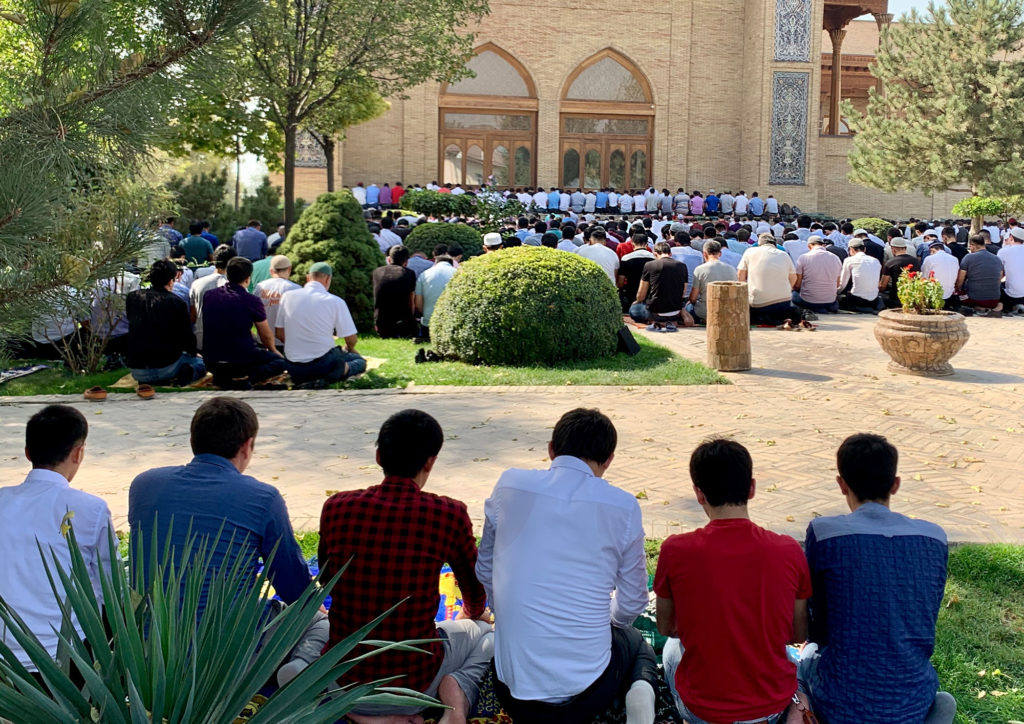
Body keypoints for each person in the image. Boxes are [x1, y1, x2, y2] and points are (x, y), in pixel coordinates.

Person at [477, 408, 659, 724]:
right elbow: (632, 602)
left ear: (551, 449)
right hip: (589, 694)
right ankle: (641, 701)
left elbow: (485, 571)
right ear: (609, 459)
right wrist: (607, 620)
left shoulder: (510, 485)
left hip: (514, 694)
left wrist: (508, 613)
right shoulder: (623, 506)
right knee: (636, 642)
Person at [129, 397, 326, 686]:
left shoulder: (143, 484)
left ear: (193, 439)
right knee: (321, 622)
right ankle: (298, 666)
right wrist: (315, 605)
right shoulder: (262, 497)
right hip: (223, 656)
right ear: (247, 446)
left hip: (149, 648)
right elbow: (292, 584)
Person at [320, 410, 492, 724]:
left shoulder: (337, 507)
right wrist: (474, 610)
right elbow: (475, 589)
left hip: (341, 681)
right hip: (415, 685)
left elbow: (325, 578)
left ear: (378, 455)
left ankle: (351, 710)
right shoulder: (448, 514)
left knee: (314, 626)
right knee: (485, 633)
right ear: (430, 462)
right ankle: (456, 695)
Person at [800, 434, 956, 724]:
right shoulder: (934, 537)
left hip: (838, 703)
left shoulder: (824, 533)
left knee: (801, 659)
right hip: (913, 696)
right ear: (895, 484)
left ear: (841, 484)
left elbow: (817, 628)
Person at [655, 439, 811, 724]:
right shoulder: (789, 550)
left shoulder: (675, 550)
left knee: (669, 650)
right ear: (751, 488)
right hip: (771, 707)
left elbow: (667, 627)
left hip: (702, 710)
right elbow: (797, 634)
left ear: (699, 494)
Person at [0, 405, 114, 672]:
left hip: (5, 659)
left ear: (28, 453)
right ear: (78, 453)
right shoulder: (91, 508)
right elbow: (111, 590)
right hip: (65, 663)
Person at [276, 261, 366, 388]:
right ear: (328, 278)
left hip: (293, 367)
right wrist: (350, 348)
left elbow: (279, 333)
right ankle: (335, 373)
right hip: (323, 364)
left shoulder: (287, 297)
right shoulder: (335, 301)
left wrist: (299, 345)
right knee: (359, 361)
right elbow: (351, 339)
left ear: (308, 278)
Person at [202, 257, 286, 388]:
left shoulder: (209, 296)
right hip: (241, 360)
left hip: (212, 360)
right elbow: (265, 335)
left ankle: (224, 378)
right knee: (280, 362)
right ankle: (248, 377)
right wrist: (274, 350)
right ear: (248, 278)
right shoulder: (251, 300)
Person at [125, 259, 205, 385]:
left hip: (137, 368)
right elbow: (186, 336)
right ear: (171, 280)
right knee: (201, 363)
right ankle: (181, 376)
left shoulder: (133, 298)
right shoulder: (177, 302)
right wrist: (194, 353)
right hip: (167, 366)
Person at [738, 233, 799, 326]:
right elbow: (794, 277)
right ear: (775, 245)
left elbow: (740, 276)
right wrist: (787, 289)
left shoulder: (750, 251)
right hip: (784, 303)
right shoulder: (784, 254)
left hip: (758, 304)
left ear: (759, 244)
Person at [635, 241, 691, 332]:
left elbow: (641, 294)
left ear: (655, 254)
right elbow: (683, 292)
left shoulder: (650, 265)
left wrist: (637, 301)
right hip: (675, 310)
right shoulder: (682, 266)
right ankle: (670, 321)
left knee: (634, 309)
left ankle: (658, 321)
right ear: (670, 254)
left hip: (655, 309)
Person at [189, 244, 235, 352]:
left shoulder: (197, 284)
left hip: (202, 341)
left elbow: (193, 316)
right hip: (229, 344)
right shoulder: (238, 286)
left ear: (214, 261)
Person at [372, 244, 418, 338]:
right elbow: (411, 301)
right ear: (406, 262)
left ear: (389, 259)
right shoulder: (408, 273)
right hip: (402, 323)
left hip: (380, 322)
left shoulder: (376, 272)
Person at [689, 239, 737, 324]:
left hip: (704, 311)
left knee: (687, 308)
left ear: (704, 254)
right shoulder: (732, 269)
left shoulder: (700, 269)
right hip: (726, 311)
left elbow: (693, 298)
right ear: (720, 253)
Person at [957, 234, 1005, 315]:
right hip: (994, 299)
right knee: (998, 303)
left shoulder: (968, 257)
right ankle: (995, 308)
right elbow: (999, 279)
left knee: (957, 297)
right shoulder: (997, 258)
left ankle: (979, 308)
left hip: (974, 299)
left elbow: (960, 281)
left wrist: (958, 290)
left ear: (972, 246)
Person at [793, 235, 842, 313]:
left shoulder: (803, 258)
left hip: (808, 301)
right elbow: (837, 284)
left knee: (793, 295)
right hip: (830, 301)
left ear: (809, 246)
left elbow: (797, 285)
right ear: (823, 245)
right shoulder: (835, 258)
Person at [415, 251, 458, 339]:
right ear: (451, 264)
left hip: (428, 323)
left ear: (435, 263)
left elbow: (418, 302)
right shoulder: (458, 273)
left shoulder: (424, 274)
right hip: (451, 323)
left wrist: (426, 314)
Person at [254, 255, 301, 336]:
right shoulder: (296, 289)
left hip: (263, 340)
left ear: (271, 271)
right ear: (289, 269)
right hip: (286, 341)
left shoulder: (260, 287)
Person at [838, 237, 882, 311]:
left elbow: (843, 284)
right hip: (874, 300)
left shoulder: (849, 260)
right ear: (864, 249)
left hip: (857, 300)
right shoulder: (875, 261)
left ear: (851, 249)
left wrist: (836, 293)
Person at [617, 231, 656, 313]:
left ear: (633, 244)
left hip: (630, 294)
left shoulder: (626, 258)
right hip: (650, 295)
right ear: (647, 244)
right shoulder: (654, 258)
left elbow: (620, 282)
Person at [880, 237, 920, 308]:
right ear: (905, 248)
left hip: (896, 298)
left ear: (893, 249)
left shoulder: (890, 263)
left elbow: (883, 286)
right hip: (913, 297)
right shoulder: (915, 261)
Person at [921, 241, 961, 310]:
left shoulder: (929, 259)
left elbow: (924, 277)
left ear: (932, 250)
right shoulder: (955, 259)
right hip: (950, 296)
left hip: (934, 296)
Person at [999, 226, 1024, 314]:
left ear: (1011, 238)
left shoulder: (1003, 252)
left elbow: (1000, 274)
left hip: (1011, 296)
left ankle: (1010, 307)